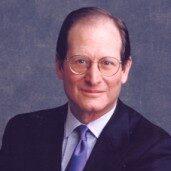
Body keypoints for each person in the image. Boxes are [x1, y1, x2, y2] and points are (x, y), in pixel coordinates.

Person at [0, 7, 170, 171]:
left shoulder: (155, 148)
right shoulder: (22, 132)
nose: (93, 79)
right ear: (59, 66)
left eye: (107, 63)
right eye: (80, 61)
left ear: (125, 70)